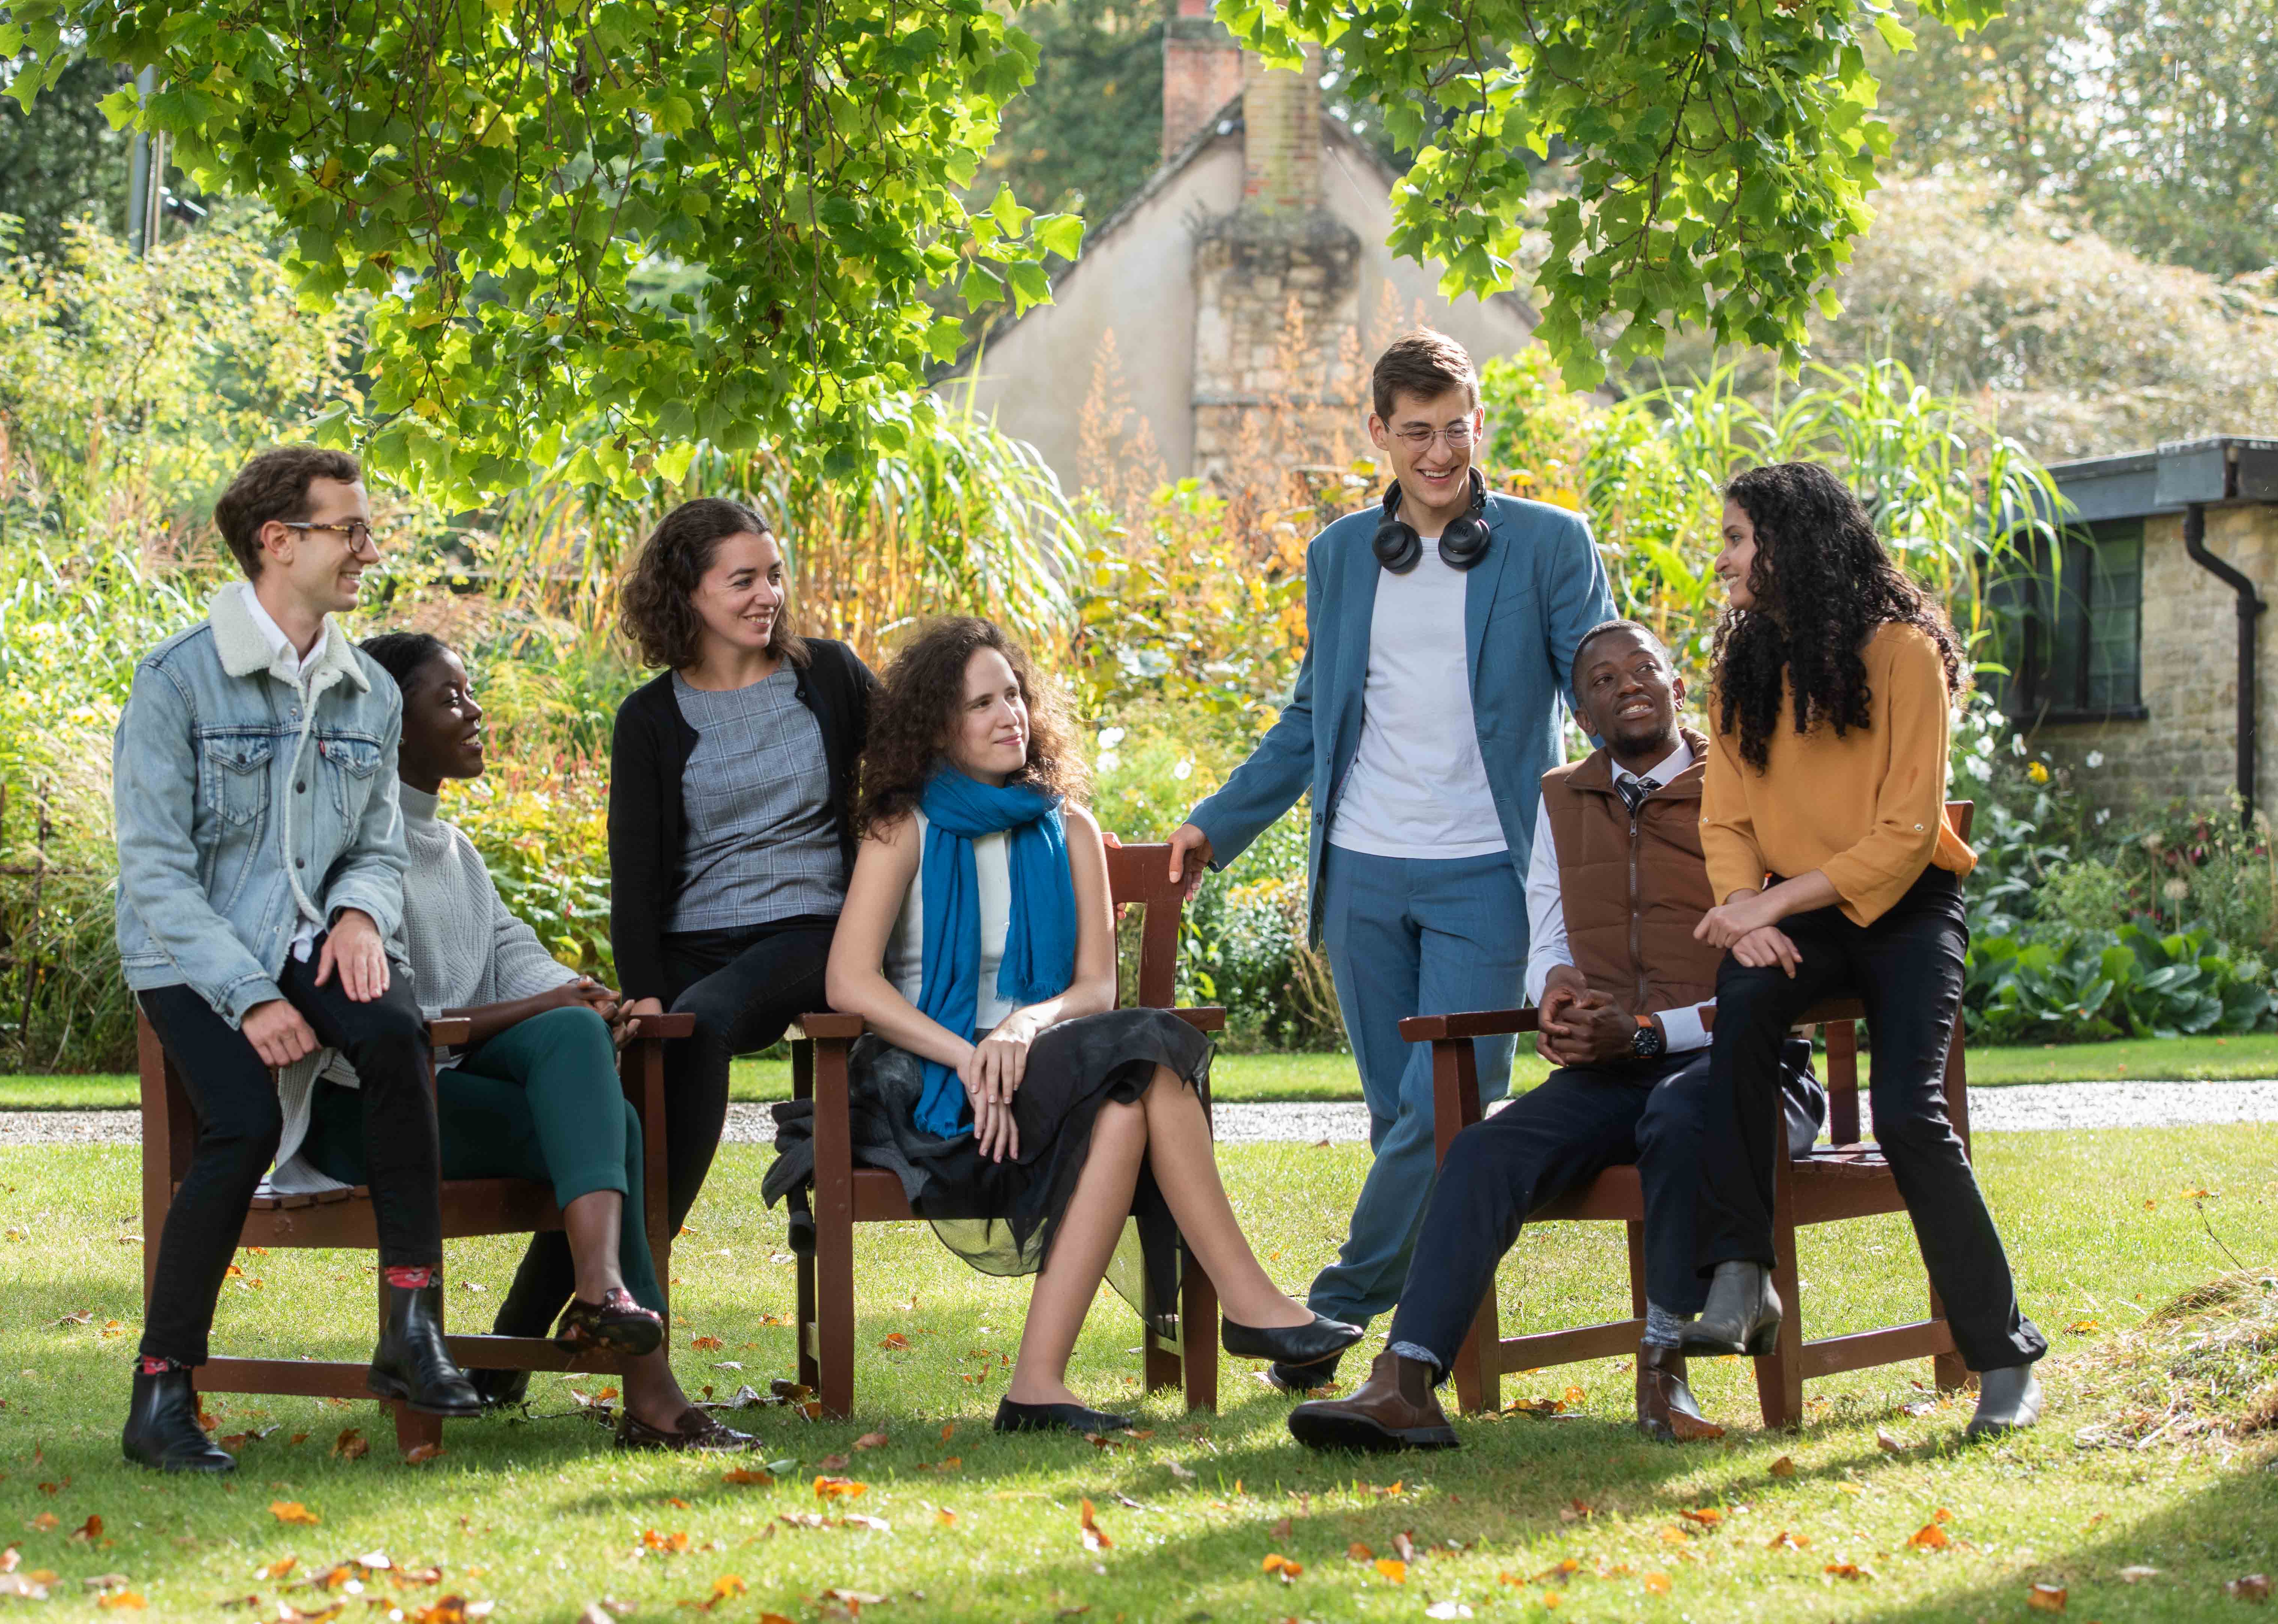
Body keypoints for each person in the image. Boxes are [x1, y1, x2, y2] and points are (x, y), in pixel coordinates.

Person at [778, 616, 1360, 1434]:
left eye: (1013, 694)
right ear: (937, 724)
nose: (1007, 714)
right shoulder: (901, 826)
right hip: (922, 1088)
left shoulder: (1071, 828)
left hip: (1041, 1074)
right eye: (980, 702)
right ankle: (1245, 1303)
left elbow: (1093, 988)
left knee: (1129, 1085)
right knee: (1139, 1075)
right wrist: (968, 1053)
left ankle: (1039, 1385)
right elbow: (849, 980)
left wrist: (1020, 1027)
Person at [1170, 330, 1614, 1386]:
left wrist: (1672, 808)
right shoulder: (1336, 558)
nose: (1438, 453)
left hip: (1487, 875)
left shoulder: (1552, 545)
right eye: (1415, 433)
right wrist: (1217, 824)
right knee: (1399, 1123)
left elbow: (1604, 693)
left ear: (1477, 428)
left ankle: (1325, 1313)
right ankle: (1427, 1341)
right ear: (1379, 433)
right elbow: (1310, 719)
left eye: (1455, 431)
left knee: (1441, 1113)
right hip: (1363, 872)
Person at [1287, 621, 1827, 1451]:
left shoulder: (1745, 782)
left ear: (1678, 686)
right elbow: (1547, 930)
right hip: (1611, 1070)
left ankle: (1664, 1373)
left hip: (1746, 1070)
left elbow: (1788, 960)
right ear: (1581, 714)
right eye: (1603, 680)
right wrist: (1554, 993)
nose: (1628, 684)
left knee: (1681, 1116)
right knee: (1478, 1150)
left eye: (1643, 667)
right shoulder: (1559, 796)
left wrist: (1649, 1033)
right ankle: (1404, 1380)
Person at [269, 632, 759, 1452]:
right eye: (450, 697)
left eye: (470, 691)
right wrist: (550, 1001)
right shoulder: (347, 851)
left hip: (447, 1089)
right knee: (621, 1126)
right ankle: (648, 1384)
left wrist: (587, 995)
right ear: (390, 721)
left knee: (571, 1031)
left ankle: (606, 1297)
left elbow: (510, 957)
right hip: (361, 1110)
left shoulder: (452, 849)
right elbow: (387, 1023)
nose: (474, 709)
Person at [110, 446, 475, 1474]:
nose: (368, 549)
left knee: (398, 1035)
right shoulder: (177, 679)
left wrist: (361, 916)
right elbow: (155, 872)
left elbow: (374, 844)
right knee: (243, 1123)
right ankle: (161, 1395)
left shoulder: (364, 689)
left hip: (314, 933)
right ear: (279, 543)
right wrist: (248, 997)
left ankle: (411, 1329)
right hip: (193, 951)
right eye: (348, 530)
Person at [477, 498, 876, 1402]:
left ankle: (598, 1314)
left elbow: (910, 765)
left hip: (817, 933)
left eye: (773, 574)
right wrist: (648, 994)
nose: (767, 593)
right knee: (627, 1142)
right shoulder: (649, 717)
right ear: (688, 592)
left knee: (703, 1022)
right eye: (743, 578)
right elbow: (638, 877)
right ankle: (507, 1348)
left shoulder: (833, 678)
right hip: (695, 952)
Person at [1681, 462, 2047, 1437]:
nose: (1722, 561)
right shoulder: (1742, 668)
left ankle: (2005, 1360)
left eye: (1736, 540)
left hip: (1910, 910)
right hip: (1801, 917)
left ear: (1792, 546)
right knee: (1742, 1016)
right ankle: (1742, 1274)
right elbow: (1724, 819)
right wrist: (1740, 908)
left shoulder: (1903, 653)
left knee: (1909, 1114)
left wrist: (1773, 903)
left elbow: (1905, 832)